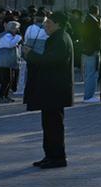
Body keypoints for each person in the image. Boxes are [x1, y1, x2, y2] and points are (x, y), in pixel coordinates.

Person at [25, 11, 74, 169]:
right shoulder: (56, 37)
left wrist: (30, 54)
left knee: (54, 125)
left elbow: (50, 61)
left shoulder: (60, 39)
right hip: (52, 88)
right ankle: (50, 155)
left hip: (55, 89)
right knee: (48, 124)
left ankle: (58, 157)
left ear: (58, 24)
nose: (45, 25)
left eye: (49, 23)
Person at [78, 6, 101, 103]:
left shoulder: (87, 20)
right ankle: (88, 96)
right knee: (91, 73)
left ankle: (89, 95)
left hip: (88, 50)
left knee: (90, 73)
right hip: (92, 50)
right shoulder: (93, 22)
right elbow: (96, 36)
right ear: (97, 11)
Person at [0, 20, 21, 103]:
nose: (17, 30)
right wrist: (18, 37)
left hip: (7, 61)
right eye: (16, 29)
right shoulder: (6, 36)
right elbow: (9, 45)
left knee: (9, 79)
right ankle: (1, 96)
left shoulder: (9, 36)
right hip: (4, 62)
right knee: (6, 80)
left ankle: (5, 95)